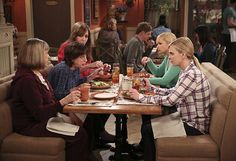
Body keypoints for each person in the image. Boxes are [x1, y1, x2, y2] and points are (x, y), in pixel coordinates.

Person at [10, 38, 92, 161]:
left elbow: (51, 100)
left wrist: (67, 110)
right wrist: (64, 101)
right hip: (31, 126)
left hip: (44, 119)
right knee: (79, 134)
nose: (49, 57)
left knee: (85, 124)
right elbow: (40, 114)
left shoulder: (36, 74)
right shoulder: (26, 80)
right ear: (36, 55)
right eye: (46, 53)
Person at [129, 37, 211, 161]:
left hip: (194, 126)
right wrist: (151, 88)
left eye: (172, 53)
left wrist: (141, 97)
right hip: (186, 119)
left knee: (147, 130)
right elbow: (172, 92)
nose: (170, 56)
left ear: (183, 54)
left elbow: (170, 100)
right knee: (147, 125)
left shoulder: (192, 74)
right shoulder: (186, 71)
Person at [48, 42, 114, 148]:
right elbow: (58, 94)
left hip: (71, 101)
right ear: (72, 58)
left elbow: (79, 81)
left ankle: (96, 140)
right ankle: (91, 146)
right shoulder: (63, 69)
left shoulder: (74, 67)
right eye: (82, 57)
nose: (85, 60)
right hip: (59, 107)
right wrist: (77, 88)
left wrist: (93, 75)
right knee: (92, 114)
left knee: (101, 108)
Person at [221, 0, 236, 71]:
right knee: (229, 51)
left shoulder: (226, 9)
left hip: (225, 33)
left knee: (226, 51)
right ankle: (227, 68)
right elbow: (230, 23)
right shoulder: (231, 11)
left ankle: (225, 67)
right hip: (230, 33)